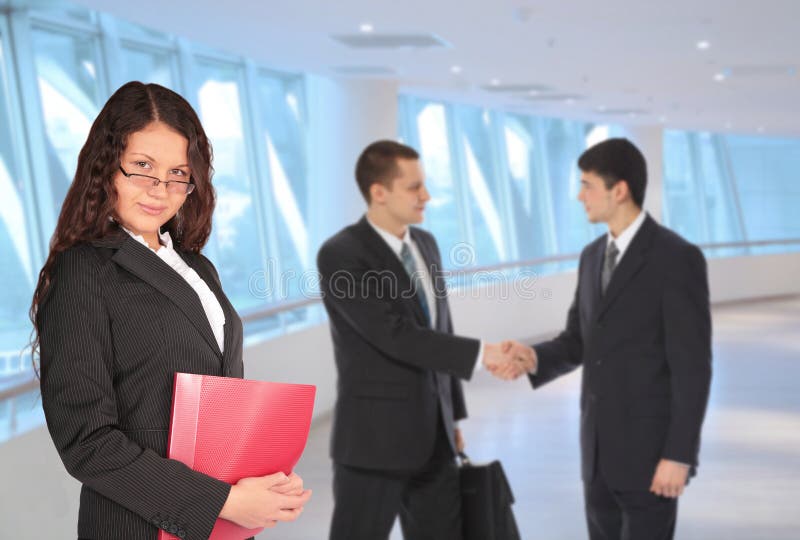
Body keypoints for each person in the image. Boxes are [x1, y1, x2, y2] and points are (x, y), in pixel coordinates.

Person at [30, 81, 311, 540]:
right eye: (142, 167)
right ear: (107, 168)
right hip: (136, 526)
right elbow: (86, 441)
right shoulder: (83, 270)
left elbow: (222, 398)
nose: (159, 189)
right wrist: (224, 501)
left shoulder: (198, 267)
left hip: (219, 522)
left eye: (178, 173)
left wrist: (266, 481)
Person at [316, 140, 531, 540]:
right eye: (414, 187)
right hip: (373, 446)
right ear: (379, 192)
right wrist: (485, 354)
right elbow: (395, 336)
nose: (426, 196)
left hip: (434, 440)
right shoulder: (341, 254)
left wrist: (454, 419)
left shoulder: (426, 245)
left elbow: (439, 332)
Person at [505, 138, 712, 539]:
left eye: (587, 185)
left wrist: (679, 455)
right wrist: (531, 357)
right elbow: (578, 341)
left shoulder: (676, 258)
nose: (579, 195)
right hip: (597, 456)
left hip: (652, 459)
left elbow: (693, 369)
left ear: (619, 190)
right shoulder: (591, 256)